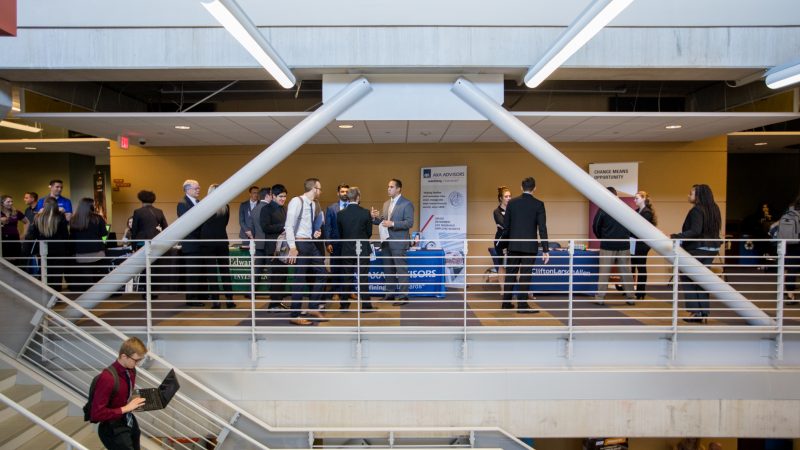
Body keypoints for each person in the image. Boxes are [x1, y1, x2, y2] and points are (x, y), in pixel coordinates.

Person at [671, 184, 722, 323]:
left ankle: (696, 311)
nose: (688, 196)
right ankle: (703, 311)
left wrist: (675, 236)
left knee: (687, 276)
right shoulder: (714, 208)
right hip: (712, 249)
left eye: (691, 193)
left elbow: (695, 231)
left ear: (698, 196)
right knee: (701, 279)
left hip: (698, 249)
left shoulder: (697, 210)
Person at [501, 176, 549, 314]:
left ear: (521, 187)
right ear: (535, 188)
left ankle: (506, 303)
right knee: (525, 275)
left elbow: (506, 227)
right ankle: (522, 305)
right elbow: (542, 228)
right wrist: (545, 249)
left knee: (510, 274)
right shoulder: (539, 204)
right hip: (529, 247)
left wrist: (505, 245)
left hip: (513, 246)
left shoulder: (512, 203)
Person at [90, 337, 148, 450]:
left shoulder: (131, 370)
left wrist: (134, 401)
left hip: (128, 420)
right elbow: (96, 414)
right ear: (124, 356)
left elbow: (124, 396)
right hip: (112, 428)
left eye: (140, 360)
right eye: (136, 360)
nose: (138, 364)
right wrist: (126, 408)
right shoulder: (107, 379)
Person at [285, 178, 327, 325]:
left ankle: (313, 307)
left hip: (310, 243)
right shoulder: (296, 201)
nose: (321, 191)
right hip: (299, 244)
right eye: (319, 188)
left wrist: (315, 233)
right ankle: (295, 315)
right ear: (314, 189)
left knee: (322, 273)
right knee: (299, 279)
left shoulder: (313, 204)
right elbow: (288, 226)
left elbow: (308, 226)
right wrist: (292, 247)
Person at [371, 179, 415, 305]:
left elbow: (409, 223)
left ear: (398, 189)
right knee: (388, 269)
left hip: (399, 242)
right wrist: (374, 218)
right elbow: (383, 222)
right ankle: (389, 294)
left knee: (401, 270)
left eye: (391, 187)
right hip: (386, 242)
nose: (388, 189)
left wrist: (393, 223)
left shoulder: (407, 204)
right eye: (388, 187)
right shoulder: (386, 204)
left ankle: (403, 296)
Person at [592, 187, 636, 306]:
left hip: (607, 245)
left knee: (604, 272)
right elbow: (633, 225)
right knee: (626, 272)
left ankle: (600, 297)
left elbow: (595, 226)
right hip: (624, 244)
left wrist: (602, 238)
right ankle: (631, 297)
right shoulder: (626, 208)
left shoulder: (603, 208)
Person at [337, 186, 375, 311]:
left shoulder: (340, 214)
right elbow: (369, 233)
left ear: (348, 197)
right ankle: (366, 306)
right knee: (363, 277)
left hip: (346, 248)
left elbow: (340, 233)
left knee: (347, 276)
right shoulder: (365, 213)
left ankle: (344, 305)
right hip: (362, 248)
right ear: (358, 197)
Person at [200, 184, 235, 309]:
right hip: (222, 240)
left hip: (207, 241)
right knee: (225, 271)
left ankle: (216, 301)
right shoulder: (226, 206)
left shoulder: (204, 206)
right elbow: (225, 223)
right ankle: (229, 300)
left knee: (212, 273)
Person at [26, 197, 71, 291]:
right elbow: (65, 235)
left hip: (43, 249)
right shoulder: (60, 217)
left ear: (44, 206)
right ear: (56, 206)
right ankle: (56, 294)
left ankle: (46, 293)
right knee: (57, 273)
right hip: (59, 249)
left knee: (45, 272)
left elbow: (32, 235)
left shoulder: (38, 217)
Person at [69, 198, 109, 293]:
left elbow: (72, 237)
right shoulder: (98, 218)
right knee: (99, 276)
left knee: (86, 278)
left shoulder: (74, 220)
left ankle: (88, 294)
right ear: (90, 206)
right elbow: (104, 234)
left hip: (81, 254)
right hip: (97, 252)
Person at [177, 179, 206, 307]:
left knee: (200, 271)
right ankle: (191, 298)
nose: (199, 190)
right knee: (192, 272)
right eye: (196, 188)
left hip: (200, 242)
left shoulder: (198, 202)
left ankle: (200, 295)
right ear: (188, 189)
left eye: (199, 188)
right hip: (191, 242)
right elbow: (187, 224)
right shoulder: (182, 204)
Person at [324, 184, 350, 306]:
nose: (344, 193)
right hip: (335, 243)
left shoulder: (353, 206)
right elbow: (328, 227)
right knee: (336, 268)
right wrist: (328, 242)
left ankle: (348, 291)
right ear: (338, 193)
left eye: (346, 191)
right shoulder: (331, 208)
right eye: (342, 191)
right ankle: (336, 291)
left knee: (349, 268)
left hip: (349, 243)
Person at [263, 184, 288, 308]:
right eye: (280, 196)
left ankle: (278, 301)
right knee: (276, 276)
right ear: (273, 196)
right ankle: (273, 304)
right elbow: (266, 228)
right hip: (273, 248)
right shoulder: (266, 209)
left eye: (284, 196)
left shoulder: (284, 208)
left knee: (283, 275)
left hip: (284, 247)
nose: (283, 199)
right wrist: (284, 227)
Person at [631, 190, 657, 300]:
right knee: (632, 266)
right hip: (634, 242)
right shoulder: (637, 211)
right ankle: (630, 290)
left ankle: (640, 291)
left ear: (644, 199)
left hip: (642, 243)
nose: (634, 200)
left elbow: (640, 227)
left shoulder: (647, 213)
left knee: (641, 266)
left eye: (637, 198)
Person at [779, 194, 800, 305]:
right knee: (793, 269)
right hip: (798, 243)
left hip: (788, 243)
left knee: (790, 269)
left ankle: (789, 294)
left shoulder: (790, 210)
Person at [1, 194, 30, 266]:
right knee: (5, 260)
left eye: (12, 201)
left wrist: (24, 234)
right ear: (2, 203)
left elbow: (27, 222)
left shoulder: (16, 212)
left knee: (16, 259)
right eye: (8, 202)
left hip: (14, 238)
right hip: (2, 239)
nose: (11, 203)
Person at [493, 186, 512, 294]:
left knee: (515, 264)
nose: (508, 198)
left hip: (512, 240)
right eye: (506, 196)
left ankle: (521, 290)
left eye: (510, 196)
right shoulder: (496, 211)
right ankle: (503, 289)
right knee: (502, 265)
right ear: (501, 198)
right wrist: (508, 226)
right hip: (501, 240)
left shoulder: (513, 210)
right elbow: (504, 225)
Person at [251, 187, 272, 280]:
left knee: (257, 268)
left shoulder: (254, 209)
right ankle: (271, 288)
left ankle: (251, 288)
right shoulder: (270, 209)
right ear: (267, 196)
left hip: (258, 242)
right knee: (271, 269)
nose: (272, 197)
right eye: (271, 195)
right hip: (269, 243)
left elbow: (252, 228)